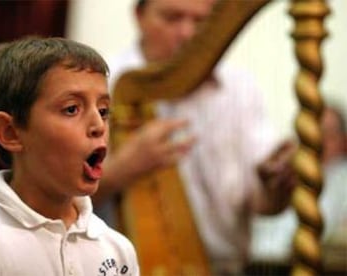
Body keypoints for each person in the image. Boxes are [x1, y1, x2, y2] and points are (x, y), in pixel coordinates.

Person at [93, 0, 297, 274]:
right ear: (140, 16)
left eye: (200, 22)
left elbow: (263, 205)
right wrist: (123, 169)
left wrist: (276, 185)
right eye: (172, 18)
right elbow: (53, 202)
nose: (187, 33)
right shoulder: (100, 84)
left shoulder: (241, 88)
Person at [0, 36, 140, 276]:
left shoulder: (117, 249)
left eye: (103, 111)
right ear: (10, 132)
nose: (99, 125)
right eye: (72, 109)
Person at [249, 105, 347, 275]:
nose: (319, 142)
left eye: (327, 134)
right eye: (311, 135)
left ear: (343, 141)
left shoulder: (341, 177)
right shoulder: (287, 173)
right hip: (258, 264)